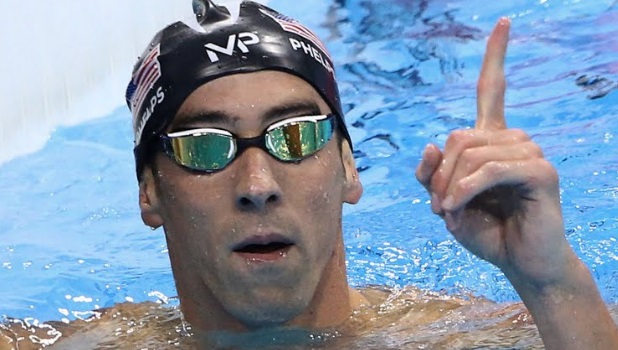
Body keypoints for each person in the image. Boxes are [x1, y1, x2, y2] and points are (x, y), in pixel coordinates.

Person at [2, 0, 617, 349]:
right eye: (205, 147)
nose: (257, 185)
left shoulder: (464, 338)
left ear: (349, 166)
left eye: (294, 136)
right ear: (150, 189)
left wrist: (552, 281)